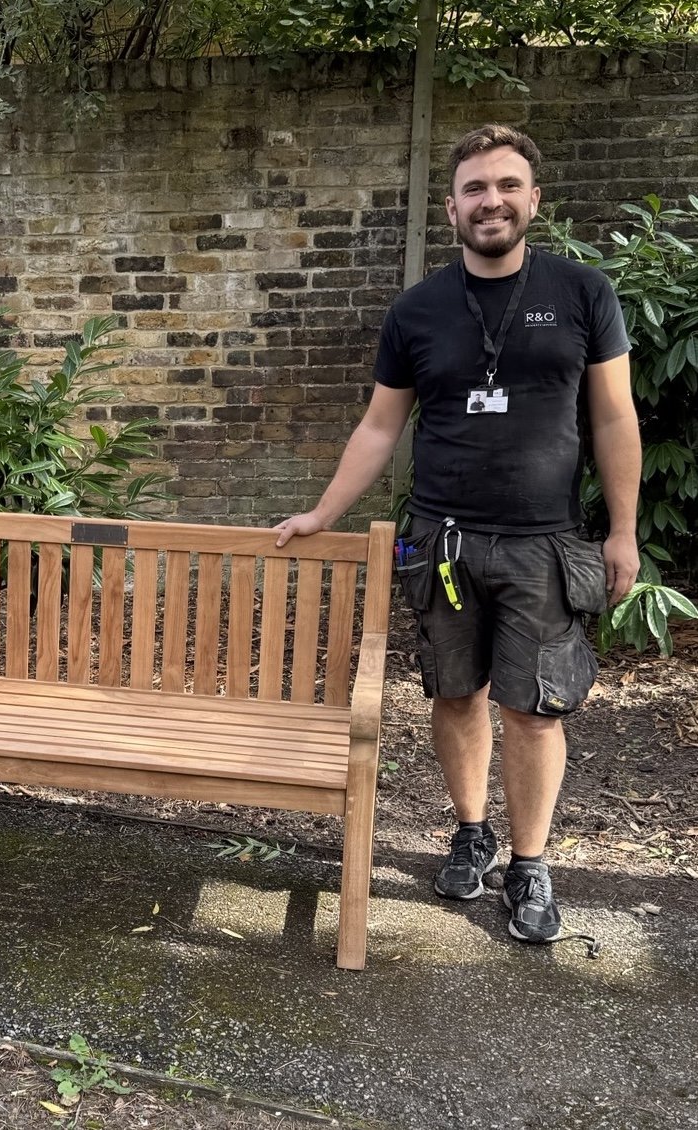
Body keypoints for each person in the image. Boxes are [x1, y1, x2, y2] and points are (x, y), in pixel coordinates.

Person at [275, 124, 640, 944]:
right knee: (454, 694)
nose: (492, 201)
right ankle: (471, 829)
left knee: (534, 711)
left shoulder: (584, 294)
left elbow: (615, 417)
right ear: (452, 208)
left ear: (533, 199)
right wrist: (322, 512)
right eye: (476, 188)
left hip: (543, 543)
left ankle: (530, 864)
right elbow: (378, 428)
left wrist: (623, 531)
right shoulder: (417, 310)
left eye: (508, 185)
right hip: (441, 542)